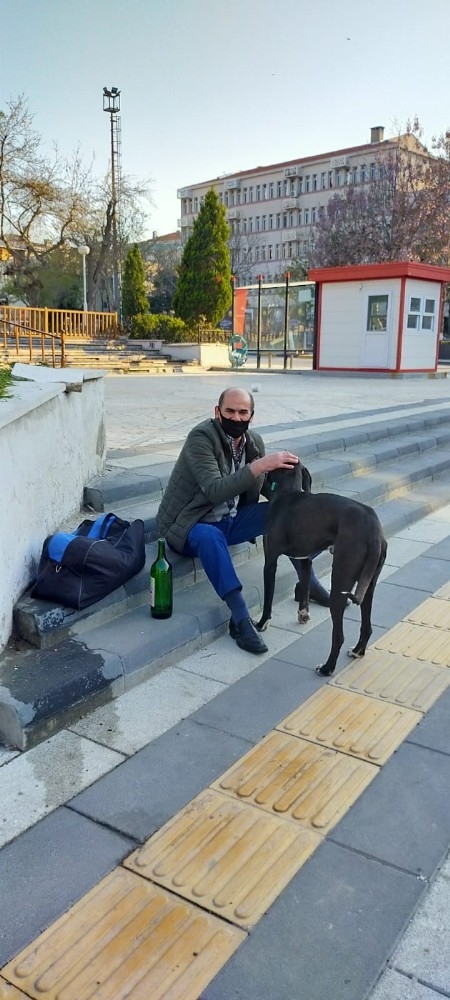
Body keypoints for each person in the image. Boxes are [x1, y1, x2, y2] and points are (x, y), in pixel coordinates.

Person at [156, 387, 329, 655]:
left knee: (283, 514)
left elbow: (264, 488)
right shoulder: (201, 438)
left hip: (231, 520)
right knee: (210, 537)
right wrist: (261, 465)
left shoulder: (253, 442)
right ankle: (240, 618)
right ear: (218, 412)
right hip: (188, 524)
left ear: (251, 416)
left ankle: (309, 584)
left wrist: (296, 490)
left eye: (242, 412)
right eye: (230, 411)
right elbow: (215, 489)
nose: (236, 418)